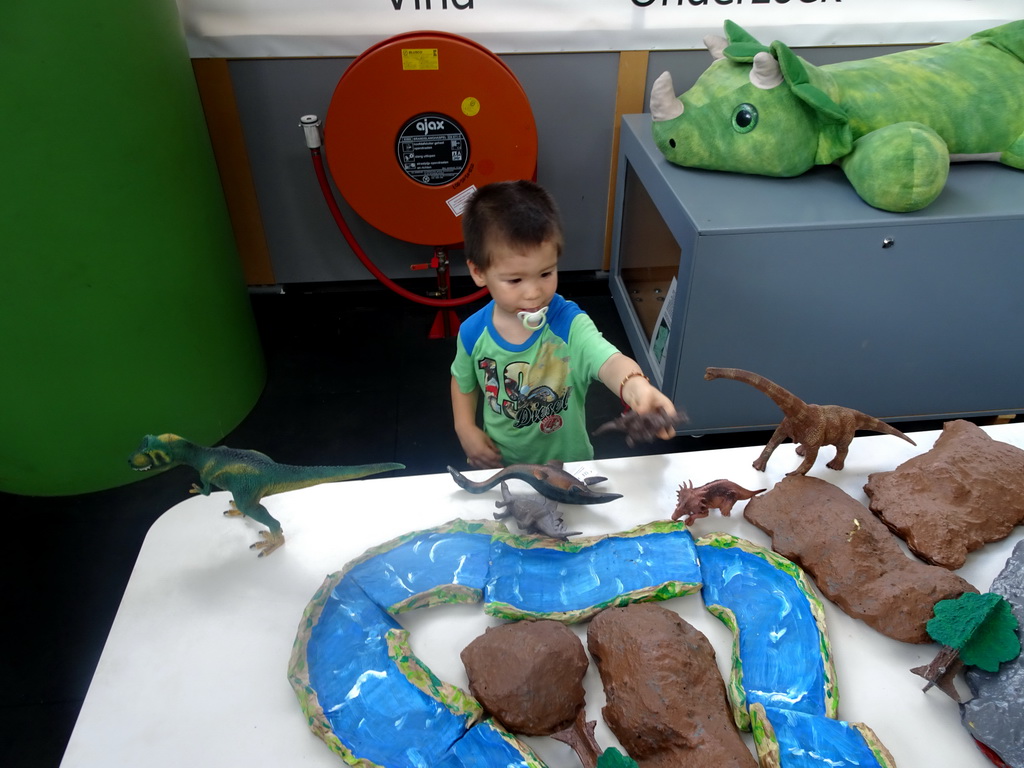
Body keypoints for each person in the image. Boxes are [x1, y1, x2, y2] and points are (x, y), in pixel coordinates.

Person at [450, 180, 679, 468]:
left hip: (571, 467)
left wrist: (637, 388)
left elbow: (608, 360)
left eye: (546, 273)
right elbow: (463, 380)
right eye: (515, 280)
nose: (533, 292)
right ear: (479, 271)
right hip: (504, 466)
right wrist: (465, 428)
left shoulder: (568, 324)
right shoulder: (473, 333)